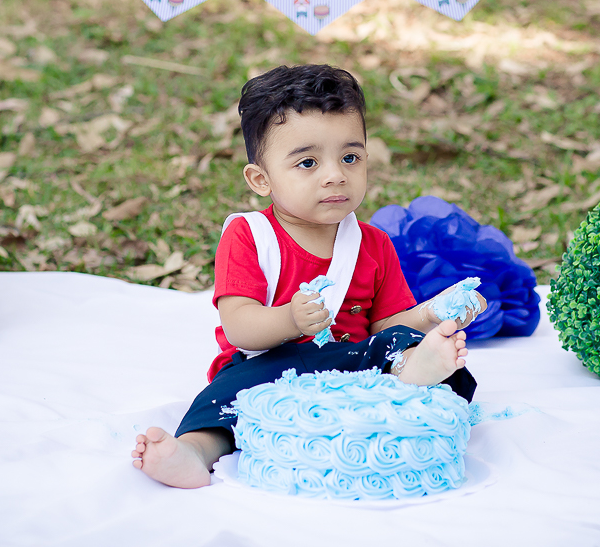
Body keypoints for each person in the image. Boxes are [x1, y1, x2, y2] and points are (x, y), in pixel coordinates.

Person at [132, 65, 486, 489]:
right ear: (261, 179)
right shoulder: (251, 236)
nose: (335, 174)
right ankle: (194, 451)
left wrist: (431, 313)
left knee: (404, 345)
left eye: (350, 157)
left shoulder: (372, 244)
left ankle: (411, 372)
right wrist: (289, 320)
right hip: (272, 366)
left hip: (355, 364)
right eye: (307, 162)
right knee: (224, 398)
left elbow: (382, 328)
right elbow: (239, 326)